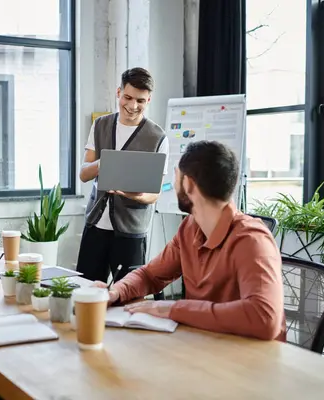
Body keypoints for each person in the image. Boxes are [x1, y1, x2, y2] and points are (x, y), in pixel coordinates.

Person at [95, 140, 286, 341]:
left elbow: (264, 317)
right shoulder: (190, 228)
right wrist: (116, 291)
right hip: (205, 345)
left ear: (189, 184)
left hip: (249, 360)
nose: (175, 182)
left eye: (176, 176)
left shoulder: (252, 240)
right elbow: (151, 275)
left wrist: (174, 309)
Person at [77, 67, 169, 284]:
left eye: (141, 101)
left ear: (149, 100)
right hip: (96, 225)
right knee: (85, 290)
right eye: (127, 97)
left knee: (127, 298)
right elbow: (83, 174)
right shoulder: (100, 125)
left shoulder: (158, 137)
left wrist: (134, 194)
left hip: (131, 232)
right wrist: (106, 162)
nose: (133, 106)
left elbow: (154, 194)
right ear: (118, 92)